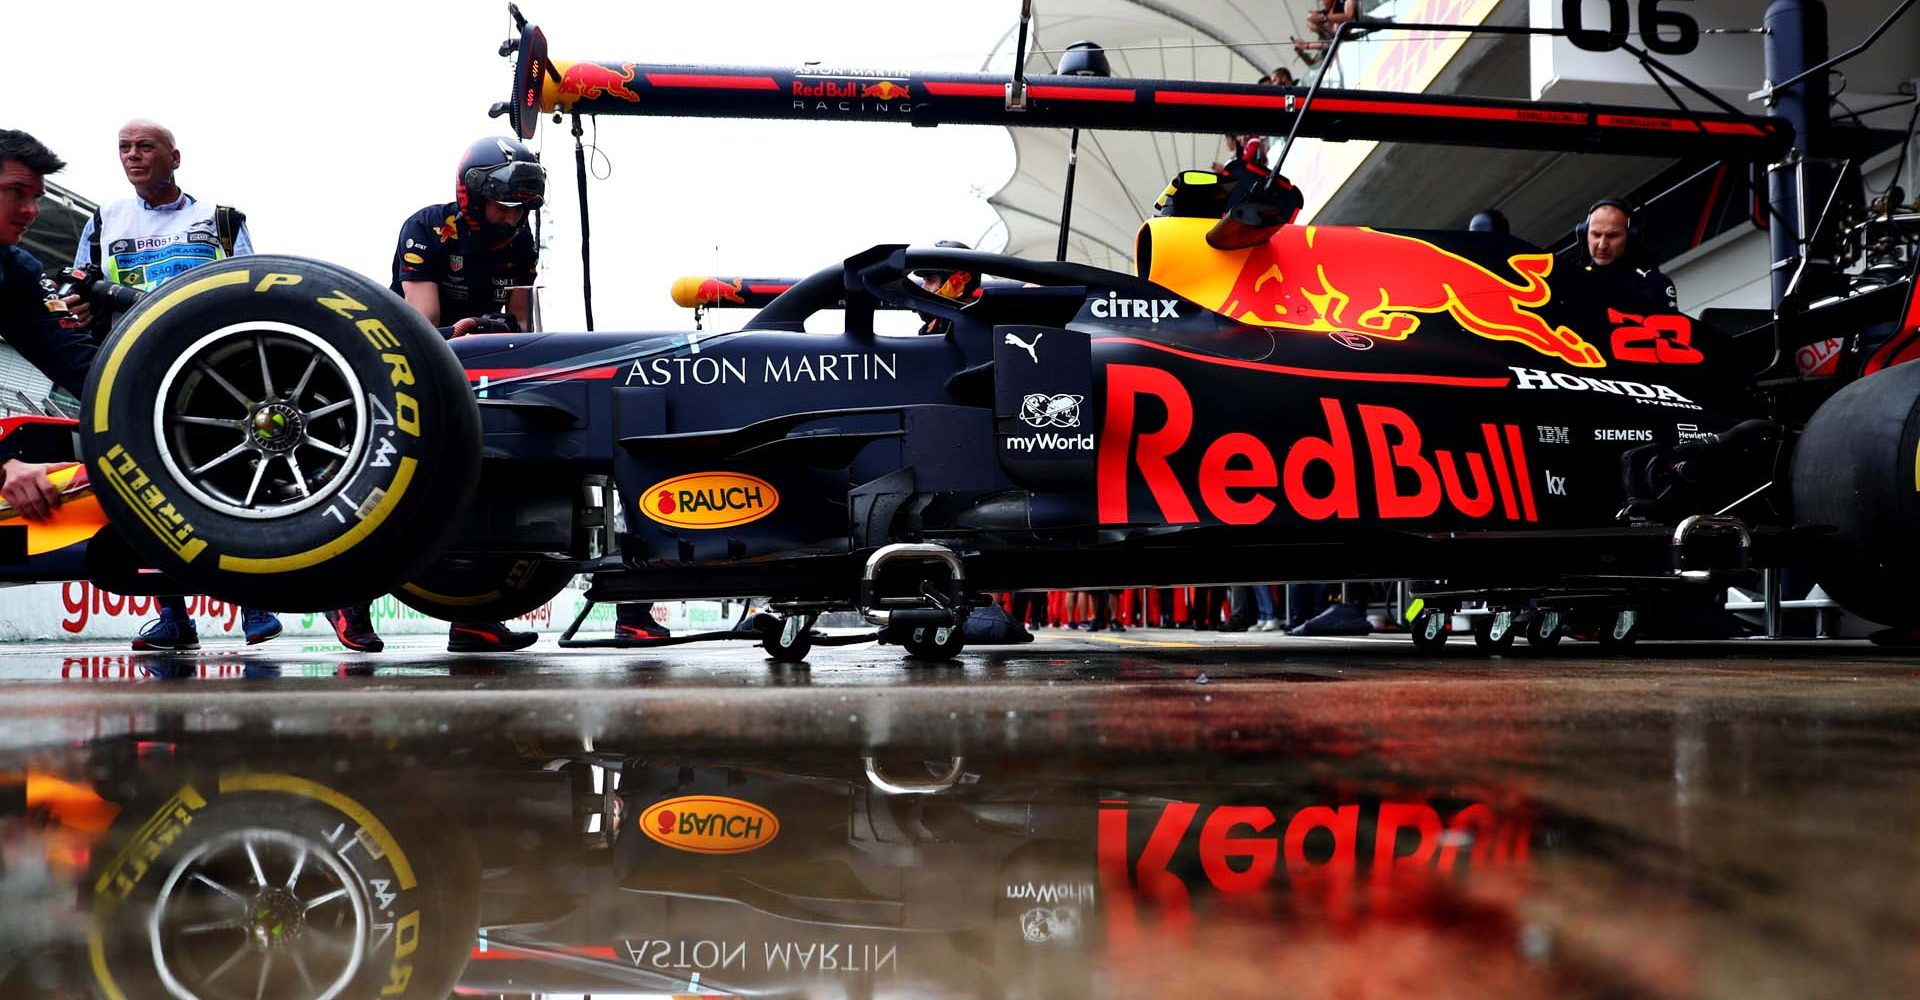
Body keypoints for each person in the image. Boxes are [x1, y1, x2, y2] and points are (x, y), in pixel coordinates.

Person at [325, 137, 549, 654]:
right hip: (409, 368)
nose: (514, 217)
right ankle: (349, 600)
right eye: (505, 204)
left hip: (485, 376)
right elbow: (419, 323)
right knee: (401, 485)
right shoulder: (427, 227)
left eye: (523, 208)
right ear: (473, 194)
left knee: (490, 484)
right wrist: (462, 331)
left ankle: (474, 618)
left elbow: (524, 322)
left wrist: (502, 336)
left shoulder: (520, 243)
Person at [68, 121, 278, 651]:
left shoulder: (220, 219)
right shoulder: (104, 218)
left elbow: (251, 287)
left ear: (174, 157)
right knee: (148, 492)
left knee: (228, 483)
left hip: (213, 376)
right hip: (133, 375)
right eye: (124, 148)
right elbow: (77, 290)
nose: (133, 156)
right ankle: (172, 617)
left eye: (145, 147)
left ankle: (253, 604)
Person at [0, 131, 97, 523]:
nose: (31, 210)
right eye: (17, 192)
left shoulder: (18, 271)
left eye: (36, 197)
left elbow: (81, 364)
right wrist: (5, 467)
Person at [1578, 199, 1678, 313]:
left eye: (1612, 236)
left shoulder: (1655, 284)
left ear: (1631, 236)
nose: (1602, 245)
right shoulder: (1573, 281)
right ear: (1584, 234)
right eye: (1596, 235)